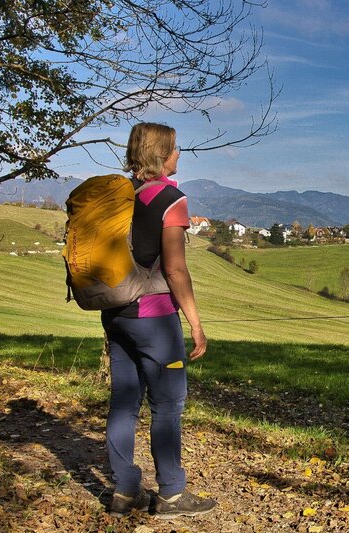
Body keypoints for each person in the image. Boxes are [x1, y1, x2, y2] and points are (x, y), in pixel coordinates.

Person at [104, 122, 214, 519]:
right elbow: (175, 270)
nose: (179, 154)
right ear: (162, 154)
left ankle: (124, 490)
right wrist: (196, 325)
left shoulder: (120, 196)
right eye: (175, 148)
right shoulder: (170, 199)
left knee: (123, 404)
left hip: (116, 313)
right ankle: (170, 494)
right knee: (167, 405)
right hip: (154, 318)